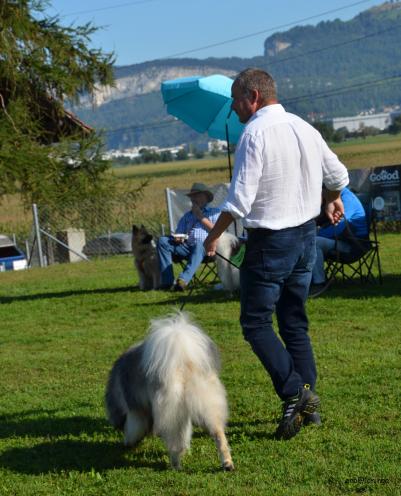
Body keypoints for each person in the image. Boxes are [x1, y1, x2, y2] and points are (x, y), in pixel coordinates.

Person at [204, 68, 349, 440]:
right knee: (294, 323)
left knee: (255, 324)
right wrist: (331, 199)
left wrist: (211, 238)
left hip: (271, 243)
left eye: (236, 100)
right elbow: (338, 175)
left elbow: (239, 201)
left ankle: (294, 393)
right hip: (305, 239)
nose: (233, 109)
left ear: (253, 97)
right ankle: (310, 406)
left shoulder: (254, 132)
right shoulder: (303, 126)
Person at [157, 182, 220, 291]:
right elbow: (179, 233)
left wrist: (200, 216)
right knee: (163, 241)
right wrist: (178, 238)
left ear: (206, 197)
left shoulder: (214, 212)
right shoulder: (186, 216)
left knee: (199, 243)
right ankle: (167, 282)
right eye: (192, 196)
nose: (194, 199)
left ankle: (183, 280)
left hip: (207, 248)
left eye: (197, 195)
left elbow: (217, 231)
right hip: (186, 247)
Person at [310, 187, 368, 295]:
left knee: (314, 242)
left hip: (354, 246)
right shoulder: (336, 197)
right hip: (344, 241)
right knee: (310, 242)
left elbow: (339, 226)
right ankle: (304, 281)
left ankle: (319, 284)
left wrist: (314, 233)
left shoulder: (347, 200)